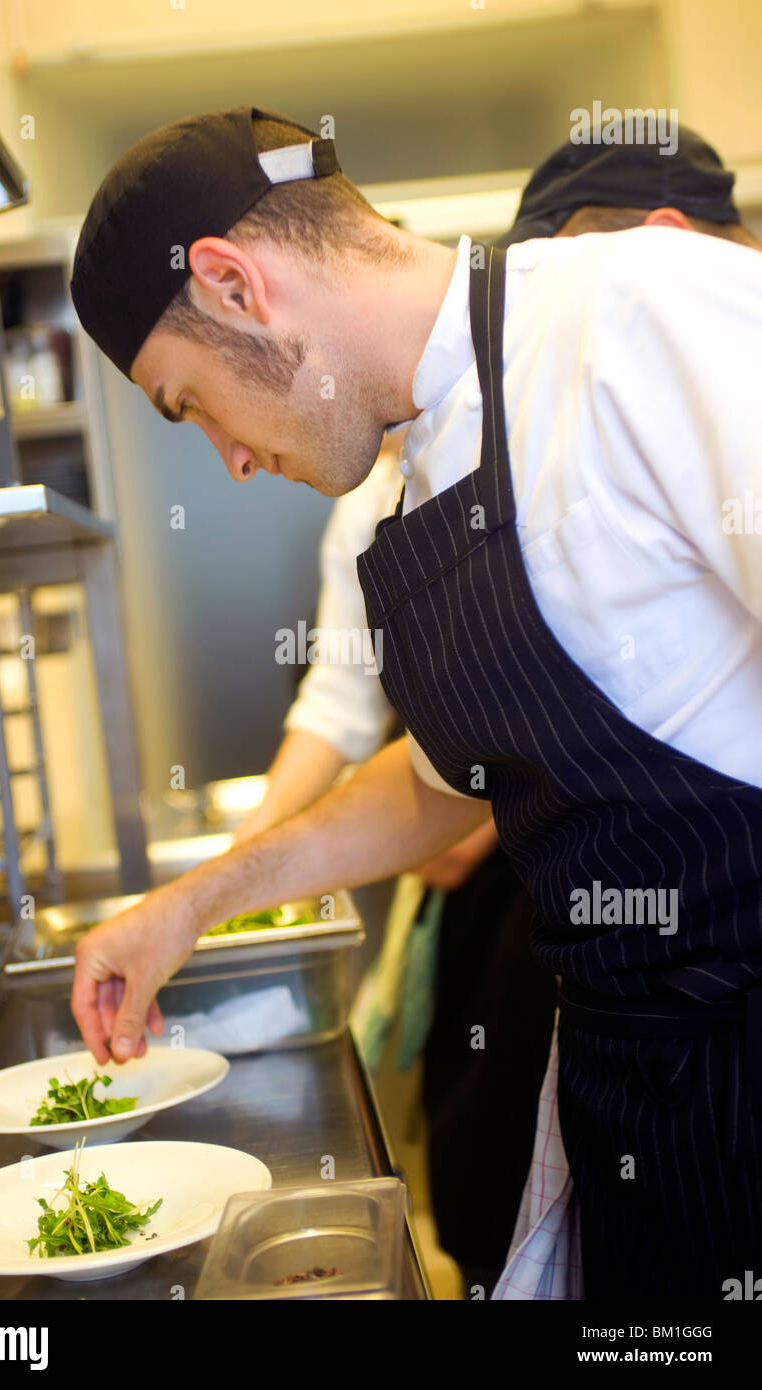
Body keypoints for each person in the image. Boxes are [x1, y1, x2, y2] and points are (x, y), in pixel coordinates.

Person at [69, 107, 762, 1298]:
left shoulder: (635, 312)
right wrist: (189, 906)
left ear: (234, 285)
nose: (229, 459)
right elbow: (442, 782)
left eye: (189, 405)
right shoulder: (424, 473)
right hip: (630, 1091)